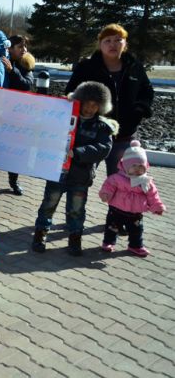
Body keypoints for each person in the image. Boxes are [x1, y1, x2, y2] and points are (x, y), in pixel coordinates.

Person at [32, 81, 118, 256]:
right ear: (79, 101)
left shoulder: (102, 126)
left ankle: (75, 239)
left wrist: (77, 152)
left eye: (95, 105)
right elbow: (45, 128)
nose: (89, 108)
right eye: (86, 103)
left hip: (81, 177)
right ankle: (40, 234)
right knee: (48, 205)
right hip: (57, 173)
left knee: (76, 210)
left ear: (101, 106)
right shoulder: (63, 116)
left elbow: (104, 149)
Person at [65, 24, 154, 176]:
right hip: (90, 134)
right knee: (80, 180)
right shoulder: (86, 67)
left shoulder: (135, 67)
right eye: (108, 40)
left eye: (118, 40)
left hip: (125, 135)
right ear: (100, 44)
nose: (113, 44)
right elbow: (71, 93)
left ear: (125, 43)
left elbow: (147, 91)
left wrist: (139, 110)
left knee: (123, 183)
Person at [98, 140, 165, 257]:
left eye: (141, 166)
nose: (137, 169)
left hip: (135, 213)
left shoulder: (145, 181)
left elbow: (153, 195)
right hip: (116, 210)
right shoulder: (117, 178)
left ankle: (135, 246)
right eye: (134, 166)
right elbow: (108, 186)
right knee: (112, 228)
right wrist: (105, 194)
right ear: (125, 165)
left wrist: (157, 207)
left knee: (136, 230)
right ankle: (108, 242)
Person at [2, 35, 35, 195]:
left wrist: (12, 71)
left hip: (17, 115)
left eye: (25, 47)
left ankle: (13, 181)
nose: (24, 50)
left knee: (15, 149)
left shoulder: (25, 64)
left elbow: (26, 85)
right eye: (20, 47)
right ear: (10, 48)